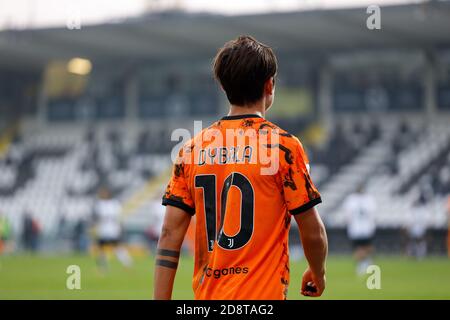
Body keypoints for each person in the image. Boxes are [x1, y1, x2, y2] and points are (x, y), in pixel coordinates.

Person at [154, 36, 328, 300]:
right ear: (269, 85)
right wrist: (318, 272)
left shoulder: (190, 150)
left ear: (224, 88)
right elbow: (312, 229)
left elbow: (169, 234)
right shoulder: (283, 147)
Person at [92, 187, 132, 271]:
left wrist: (119, 227)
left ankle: (127, 262)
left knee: (116, 247)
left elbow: (118, 217)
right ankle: (103, 266)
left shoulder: (112, 204)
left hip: (112, 229)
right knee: (101, 248)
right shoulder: (104, 204)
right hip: (104, 230)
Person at [343, 184, 376, 275]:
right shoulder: (369, 199)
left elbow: (347, 215)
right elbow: (372, 214)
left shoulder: (351, 199)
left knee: (358, 248)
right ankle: (365, 262)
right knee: (366, 246)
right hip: (366, 227)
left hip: (355, 228)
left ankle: (363, 263)